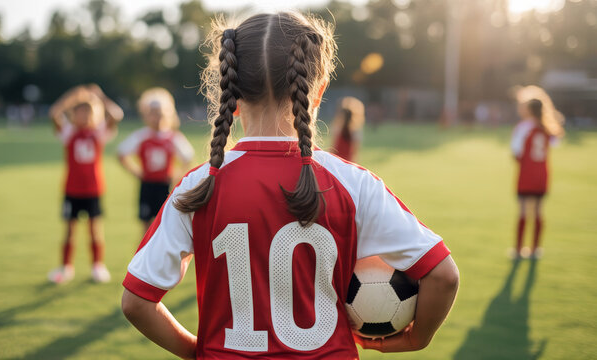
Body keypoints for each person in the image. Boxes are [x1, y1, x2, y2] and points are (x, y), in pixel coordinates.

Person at [121, 12, 459, 359]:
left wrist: (199, 352)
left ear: (230, 93)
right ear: (318, 92)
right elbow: (443, 275)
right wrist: (419, 337)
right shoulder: (354, 184)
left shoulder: (198, 185)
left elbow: (137, 302)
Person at [48, 84, 123, 284]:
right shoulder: (68, 132)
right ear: (74, 114)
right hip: (72, 189)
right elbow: (54, 113)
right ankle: (66, 267)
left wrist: (101, 97)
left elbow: (116, 115)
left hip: (93, 189)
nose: (84, 116)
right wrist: (72, 96)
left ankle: (97, 266)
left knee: (95, 229)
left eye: (88, 112)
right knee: (70, 231)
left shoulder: (98, 133)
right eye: (79, 112)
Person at [118, 88, 195, 231]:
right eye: (152, 114)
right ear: (146, 116)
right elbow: (121, 154)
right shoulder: (142, 136)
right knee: (146, 226)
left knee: (164, 226)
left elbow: (188, 157)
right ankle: (144, 253)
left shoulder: (172, 137)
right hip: (147, 185)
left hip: (164, 186)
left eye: (160, 114)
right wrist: (136, 171)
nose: (156, 118)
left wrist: (176, 175)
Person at [510, 91, 564, 259]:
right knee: (539, 211)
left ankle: (519, 250)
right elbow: (556, 143)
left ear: (528, 110)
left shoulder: (523, 127)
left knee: (524, 212)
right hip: (542, 177)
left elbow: (516, 152)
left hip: (526, 177)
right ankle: (535, 250)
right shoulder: (547, 128)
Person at [331, 96, 365, 162]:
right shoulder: (355, 131)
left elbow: (333, 147)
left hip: (336, 160)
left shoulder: (338, 128)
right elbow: (355, 151)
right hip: (348, 162)